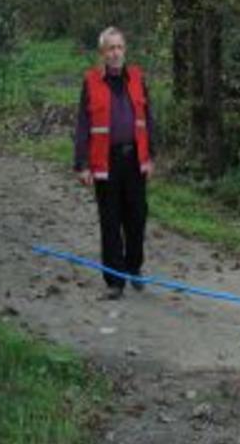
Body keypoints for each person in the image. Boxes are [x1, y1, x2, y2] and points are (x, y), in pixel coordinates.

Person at [74, 27, 155, 300]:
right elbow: (83, 124)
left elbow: (148, 119)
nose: (116, 52)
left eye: (120, 47)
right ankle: (115, 281)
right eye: (111, 48)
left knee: (137, 217)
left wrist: (151, 156)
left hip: (134, 161)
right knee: (110, 221)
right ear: (103, 53)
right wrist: (82, 164)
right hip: (104, 161)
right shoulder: (91, 82)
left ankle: (134, 267)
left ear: (125, 49)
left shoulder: (137, 78)